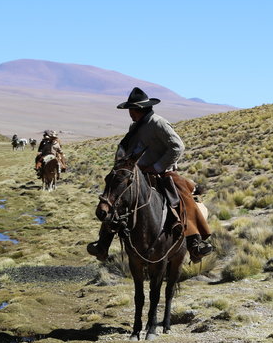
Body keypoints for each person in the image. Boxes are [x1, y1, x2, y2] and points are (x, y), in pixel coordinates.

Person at [87, 87, 213, 263]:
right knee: (114, 199)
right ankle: (103, 244)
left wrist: (157, 166)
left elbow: (177, 146)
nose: (129, 113)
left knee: (182, 194)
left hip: (161, 172)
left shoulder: (157, 122)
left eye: (131, 109)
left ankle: (194, 243)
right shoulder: (135, 126)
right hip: (137, 173)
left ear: (138, 108)